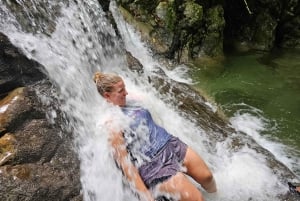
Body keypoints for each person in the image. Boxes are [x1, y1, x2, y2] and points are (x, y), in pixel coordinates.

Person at [93, 71, 217, 201]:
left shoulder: (129, 101)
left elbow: (146, 98)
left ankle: (216, 198)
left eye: (125, 88)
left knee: (207, 177)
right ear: (107, 95)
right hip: (154, 166)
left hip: (170, 144)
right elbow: (126, 165)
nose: (126, 92)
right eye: (121, 90)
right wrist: (146, 196)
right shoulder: (111, 124)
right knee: (197, 199)